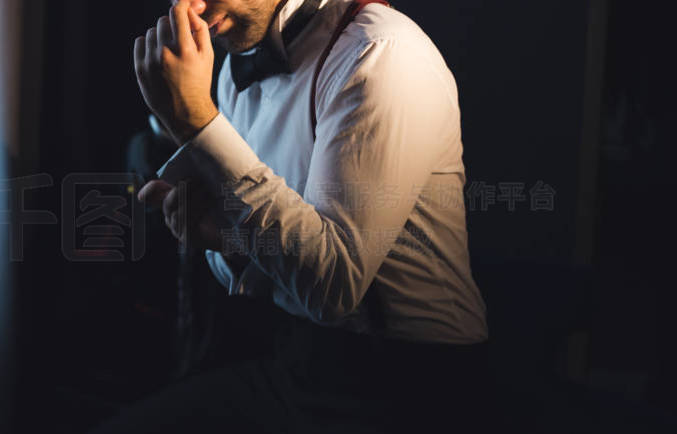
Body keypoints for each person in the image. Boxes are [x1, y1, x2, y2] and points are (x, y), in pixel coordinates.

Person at [92, 0, 491, 432]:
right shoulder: (231, 73)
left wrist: (196, 122)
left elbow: (334, 287)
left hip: (408, 386)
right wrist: (227, 238)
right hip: (295, 362)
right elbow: (280, 258)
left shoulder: (380, 52)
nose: (190, 7)